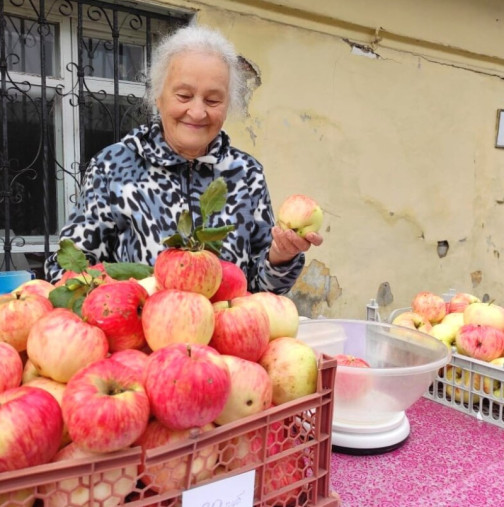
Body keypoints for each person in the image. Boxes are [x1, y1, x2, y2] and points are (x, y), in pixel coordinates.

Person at [44, 24, 323, 294]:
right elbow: (69, 271)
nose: (198, 112)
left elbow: (262, 290)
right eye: (184, 95)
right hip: (142, 339)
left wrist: (281, 256)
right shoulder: (113, 167)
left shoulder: (246, 173)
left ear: (228, 106)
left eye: (213, 100)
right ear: (158, 96)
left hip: (225, 340)